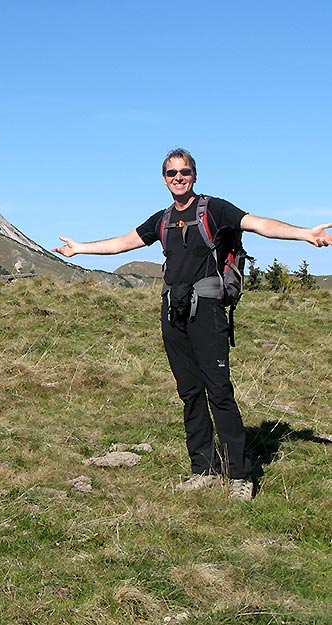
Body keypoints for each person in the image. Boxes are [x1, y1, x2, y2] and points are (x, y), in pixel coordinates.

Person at [52, 148, 332, 501]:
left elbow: (260, 224)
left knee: (220, 392)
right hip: (174, 313)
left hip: (208, 312)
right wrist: (81, 249)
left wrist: (305, 233)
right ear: (164, 178)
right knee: (190, 393)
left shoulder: (214, 209)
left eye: (184, 172)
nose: (179, 178)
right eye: (172, 173)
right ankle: (203, 469)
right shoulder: (163, 219)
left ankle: (239, 476)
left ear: (195, 175)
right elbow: (123, 243)